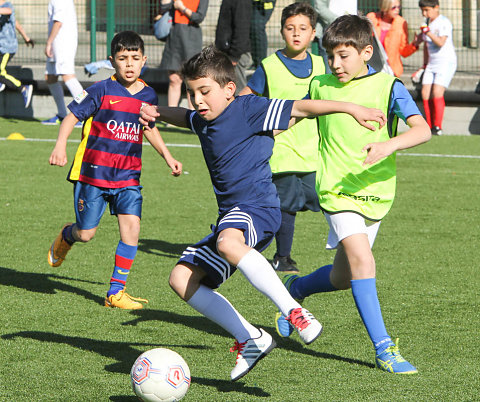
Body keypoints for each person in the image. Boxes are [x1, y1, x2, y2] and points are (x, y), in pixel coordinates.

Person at [139, 45, 386, 381]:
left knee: (227, 241)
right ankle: (250, 338)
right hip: (234, 220)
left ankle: (295, 311)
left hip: (259, 210)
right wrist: (157, 112)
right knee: (181, 279)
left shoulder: (248, 108)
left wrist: (351, 108)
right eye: (192, 92)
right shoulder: (204, 120)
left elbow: (303, 107)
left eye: (205, 92)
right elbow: (186, 118)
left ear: (229, 89)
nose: (197, 100)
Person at [274, 14, 431, 374]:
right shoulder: (320, 86)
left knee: (342, 278)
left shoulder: (389, 87)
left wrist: (388, 145)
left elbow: (421, 131)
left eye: (344, 55)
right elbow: (292, 118)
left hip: (375, 193)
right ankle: (384, 348)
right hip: (336, 189)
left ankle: (295, 290)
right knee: (363, 260)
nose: (335, 64)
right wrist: (260, 137)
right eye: (331, 56)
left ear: (366, 52)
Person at [47, 31, 182, 310]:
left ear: (144, 60)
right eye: (123, 59)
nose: (129, 64)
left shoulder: (148, 94)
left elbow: (149, 128)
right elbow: (71, 117)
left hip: (128, 175)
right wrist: (60, 147)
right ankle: (68, 235)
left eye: (135, 58)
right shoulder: (100, 90)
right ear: (112, 61)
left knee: (131, 229)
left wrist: (168, 157)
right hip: (93, 175)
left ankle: (115, 292)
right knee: (86, 233)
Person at [240, 2, 325, 273]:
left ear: (313, 34)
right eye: (290, 28)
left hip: (317, 152)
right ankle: (282, 257)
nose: (296, 34)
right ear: (281, 31)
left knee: (328, 200)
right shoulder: (269, 65)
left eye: (303, 28)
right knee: (286, 207)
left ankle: (348, 249)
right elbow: (247, 97)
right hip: (282, 151)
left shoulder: (325, 66)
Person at [416, 0, 456, 136]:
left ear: (436, 8)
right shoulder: (428, 23)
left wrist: (427, 33)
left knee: (437, 92)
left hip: (445, 62)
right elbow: (425, 48)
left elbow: (440, 42)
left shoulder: (444, 22)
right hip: (432, 63)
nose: (424, 13)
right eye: (422, 10)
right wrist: (424, 64)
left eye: (427, 10)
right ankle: (428, 125)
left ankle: (437, 127)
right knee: (425, 93)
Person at [42, 0, 84, 127]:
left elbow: (58, 22)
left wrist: (49, 42)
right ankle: (61, 114)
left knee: (68, 75)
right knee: (50, 77)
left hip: (63, 43)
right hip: (57, 43)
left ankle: (86, 114)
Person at [160, 0, 208, 109]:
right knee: (174, 78)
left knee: (191, 79)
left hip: (191, 38)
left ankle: (192, 115)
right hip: (175, 37)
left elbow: (199, 17)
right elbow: (164, 9)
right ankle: (171, 115)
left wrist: (182, 8)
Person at [367, 0, 418, 78]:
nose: (397, 10)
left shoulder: (401, 23)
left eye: (399, 7)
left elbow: (404, 51)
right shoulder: (371, 18)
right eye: (394, 7)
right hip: (372, 66)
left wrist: (415, 44)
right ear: (385, 7)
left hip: (391, 69)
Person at [0, 1, 34, 108]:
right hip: (1, 47)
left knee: (1, 73)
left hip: (7, 48)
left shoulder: (7, 6)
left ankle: (23, 88)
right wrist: (26, 37)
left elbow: (8, 11)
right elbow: (16, 23)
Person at [215, 0, 252, 92]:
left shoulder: (241, 2)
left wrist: (234, 56)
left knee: (239, 91)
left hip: (236, 55)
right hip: (227, 53)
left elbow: (242, 29)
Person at [250, 0, 276, 68]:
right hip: (254, 3)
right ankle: (256, 62)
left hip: (265, 3)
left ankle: (261, 62)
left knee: (258, 27)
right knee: (252, 30)